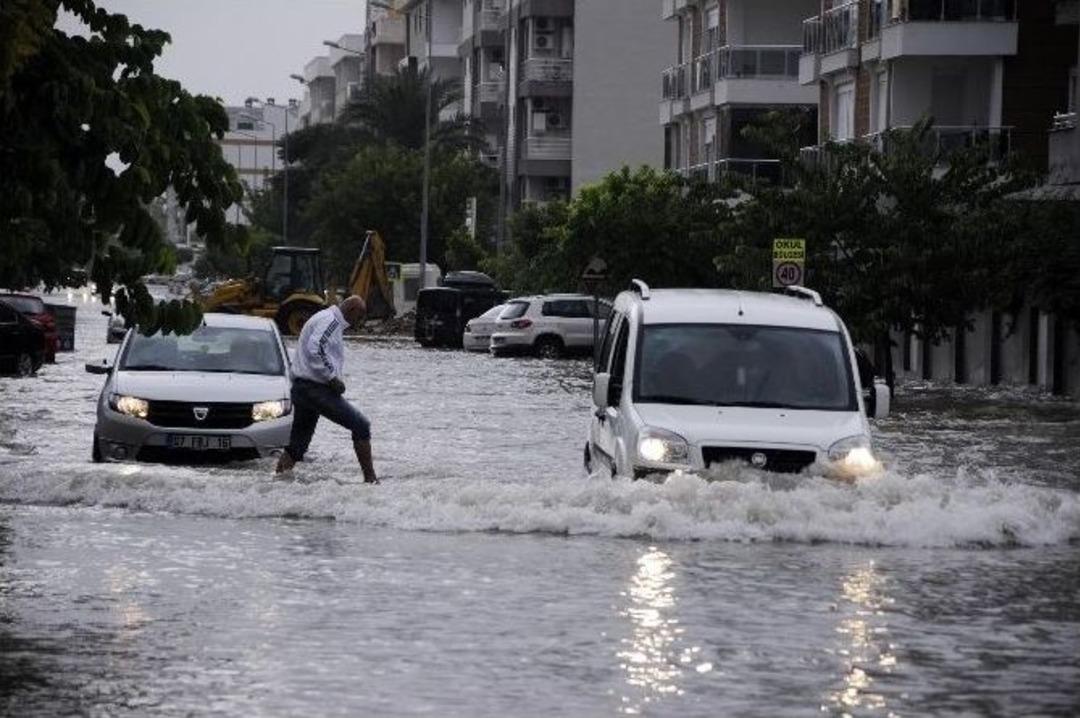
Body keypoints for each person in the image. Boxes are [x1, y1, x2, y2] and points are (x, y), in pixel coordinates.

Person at [275, 296, 379, 483]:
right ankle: (371, 480)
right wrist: (332, 378)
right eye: (360, 316)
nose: (359, 322)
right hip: (315, 389)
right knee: (361, 426)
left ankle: (277, 483)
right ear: (352, 311)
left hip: (302, 388)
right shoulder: (331, 321)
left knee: (297, 446)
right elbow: (316, 349)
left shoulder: (323, 318)